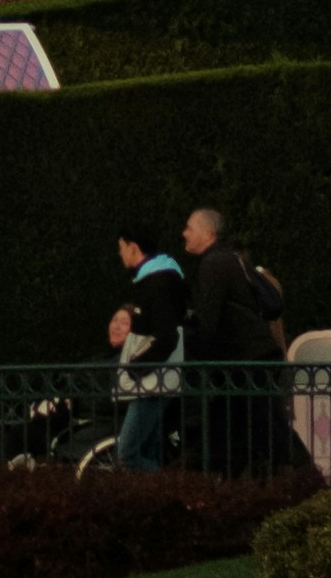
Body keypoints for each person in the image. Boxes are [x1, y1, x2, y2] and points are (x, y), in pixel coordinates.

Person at [177, 195, 288, 479]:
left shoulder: (213, 264)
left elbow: (208, 322)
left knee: (264, 431)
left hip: (244, 363)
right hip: (255, 358)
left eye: (190, 227)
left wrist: (189, 353)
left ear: (207, 233)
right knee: (238, 431)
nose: (184, 233)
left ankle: (302, 476)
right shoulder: (233, 259)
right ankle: (242, 485)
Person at [106, 226, 190, 472]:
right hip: (155, 379)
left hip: (153, 382)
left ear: (133, 247)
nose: (120, 254)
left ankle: (171, 490)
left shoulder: (159, 283)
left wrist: (136, 368)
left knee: (128, 454)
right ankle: (160, 498)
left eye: (121, 248)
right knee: (147, 450)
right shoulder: (163, 278)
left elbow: (166, 336)